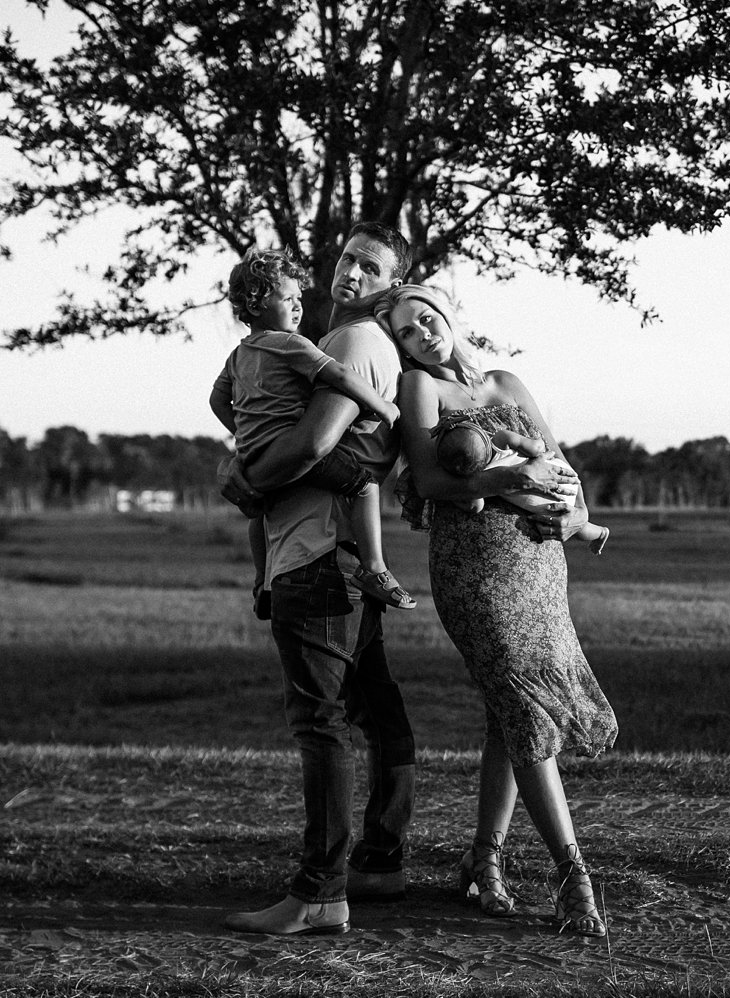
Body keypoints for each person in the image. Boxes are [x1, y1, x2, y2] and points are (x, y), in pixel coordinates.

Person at [385, 283, 616, 938]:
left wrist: (576, 518)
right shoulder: (419, 389)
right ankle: (573, 872)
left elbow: (560, 466)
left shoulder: (506, 380)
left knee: (505, 712)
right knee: (523, 705)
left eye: (427, 319)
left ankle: (482, 862)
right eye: (407, 330)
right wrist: (509, 481)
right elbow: (431, 483)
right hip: (472, 567)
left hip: (539, 562)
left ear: (448, 316)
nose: (422, 334)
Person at [219, 223, 423, 937]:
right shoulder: (345, 344)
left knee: (321, 726)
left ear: (392, 284)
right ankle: (381, 859)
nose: (352, 274)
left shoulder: (350, 344)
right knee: (376, 713)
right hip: (335, 559)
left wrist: (243, 480)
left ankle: (320, 889)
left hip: (315, 558)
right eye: (347, 260)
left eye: (371, 267)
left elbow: (313, 443)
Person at [209, 249, 417, 617]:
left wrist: (245, 432)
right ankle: (376, 569)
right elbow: (339, 376)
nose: (298, 305)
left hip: (253, 450)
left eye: (299, 298)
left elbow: (217, 399)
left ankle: (262, 582)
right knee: (364, 485)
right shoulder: (291, 344)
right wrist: (384, 406)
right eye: (288, 298)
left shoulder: (238, 355)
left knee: (260, 514)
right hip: (291, 445)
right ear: (257, 305)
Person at [432, 417, 610, 554]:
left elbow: (474, 507)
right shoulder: (499, 440)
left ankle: (599, 533)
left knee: (580, 527)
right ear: (480, 433)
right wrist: (534, 448)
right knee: (578, 522)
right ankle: (602, 532)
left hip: (547, 503)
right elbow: (537, 446)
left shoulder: (480, 479)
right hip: (562, 475)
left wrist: (455, 496)